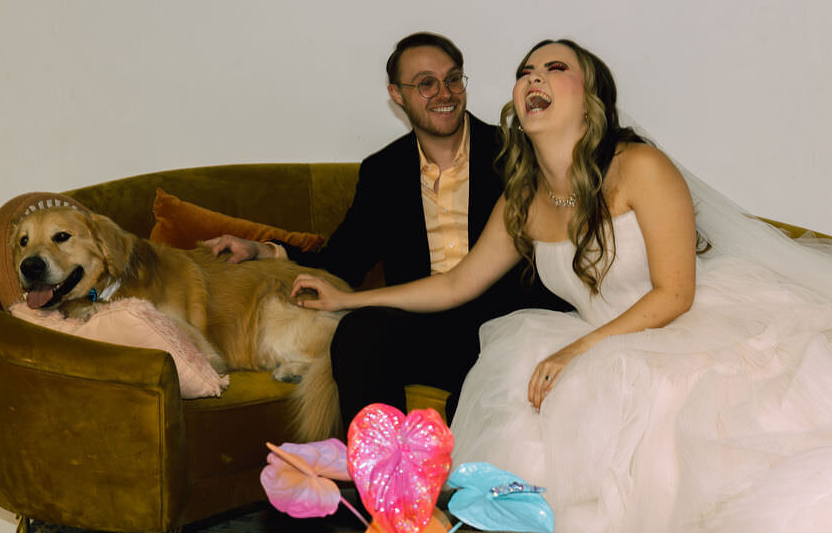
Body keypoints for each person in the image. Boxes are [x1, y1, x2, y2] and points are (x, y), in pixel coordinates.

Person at [293, 39, 832, 533]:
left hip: (689, 333)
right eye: (525, 71)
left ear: (591, 97)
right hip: (603, 343)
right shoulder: (525, 194)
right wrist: (351, 299)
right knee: (532, 414)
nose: (534, 79)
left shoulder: (639, 166)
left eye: (554, 68)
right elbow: (456, 284)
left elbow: (675, 294)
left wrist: (579, 348)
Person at [207, 32, 566, 431]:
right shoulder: (383, 171)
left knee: (484, 377)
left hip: (506, 320)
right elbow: (343, 259)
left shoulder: (515, 153)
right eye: (426, 83)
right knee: (359, 333)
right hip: (424, 320)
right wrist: (264, 251)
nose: (444, 93)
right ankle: (377, 482)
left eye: (453, 79)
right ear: (397, 94)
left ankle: (464, 476)